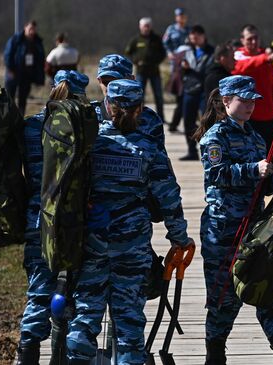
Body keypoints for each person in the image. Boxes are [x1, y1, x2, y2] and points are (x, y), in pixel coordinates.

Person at [66, 79, 194, 365]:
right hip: (132, 245)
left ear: (108, 106)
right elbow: (168, 198)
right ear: (139, 109)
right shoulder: (149, 149)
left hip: (93, 241)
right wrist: (179, 238)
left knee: (86, 313)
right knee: (129, 322)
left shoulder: (88, 145)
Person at [197, 75, 273, 365]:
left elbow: (264, 183)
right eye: (244, 100)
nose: (251, 105)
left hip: (254, 227)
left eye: (253, 100)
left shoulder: (254, 137)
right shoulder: (215, 137)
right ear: (226, 101)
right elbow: (216, 175)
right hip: (223, 228)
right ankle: (215, 356)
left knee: (267, 288)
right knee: (224, 298)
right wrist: (253, 170)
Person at [16, 70, 89, 365]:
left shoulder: (30, 127)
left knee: (39, 289)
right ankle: (63, 354)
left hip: (38, 219)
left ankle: (27, 354)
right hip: (74, 221)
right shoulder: (83, 128)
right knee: (75, 290)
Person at [233, 24, 273, 174]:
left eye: (256, 38)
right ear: (242, 40)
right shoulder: (239, 55)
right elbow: (240, 68)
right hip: (249, 119)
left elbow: (272, 85)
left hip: (271, 116)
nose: (253, 42)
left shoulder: (266, 56)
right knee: (255, 160)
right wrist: (265, 58)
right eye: (249, 39)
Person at [179, 25, 214, 161]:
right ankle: (191, 150)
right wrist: (183, 68)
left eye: (196, 37)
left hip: (204, 91)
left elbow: (210, 70)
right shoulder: (187, 50)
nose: (194, 40)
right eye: (192, 37)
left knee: (207, 121)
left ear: (203, 36)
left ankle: (209, 150)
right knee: (188, 121)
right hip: (189, 89)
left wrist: (192, 69)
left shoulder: (211, 51)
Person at [125, 17, 167, 120]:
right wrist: (135, 61)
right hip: (141, 72)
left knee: (158, 96)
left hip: (154, 71)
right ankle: (139, 116)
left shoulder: (157, 39)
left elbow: (163, 53)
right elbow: (128, 52)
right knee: (139, 96)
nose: (146, 28)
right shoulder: (136, 40)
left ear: (151, 27)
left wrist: (157, 61)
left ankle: (161, 117)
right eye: (144, 26)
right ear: (140, 27)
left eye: (148, 26)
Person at [4, 20, 45, 116]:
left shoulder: (37, 42)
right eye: (30, 29)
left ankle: (20, 118)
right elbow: (8, 55)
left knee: (23, 100)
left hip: (27, 75)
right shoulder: (15, 40)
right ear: (25, 28)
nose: (32, 31)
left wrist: (38, 75)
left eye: (34, 29)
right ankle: (8, 119)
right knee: (9, 99)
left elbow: (40, 58)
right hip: (14, 73)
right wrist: (10, 69)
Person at [163, 7, 192, 132]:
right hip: (176, 64)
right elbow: (165, 43)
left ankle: (181, 121)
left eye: (183, 16)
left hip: (188, 63)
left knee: (187, 92)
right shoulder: (171, 29)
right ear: (176, 17)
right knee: (179, 91)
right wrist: (169, 53)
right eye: (179, 16)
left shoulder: (189, 30)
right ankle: (177, 121)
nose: (181, 18)